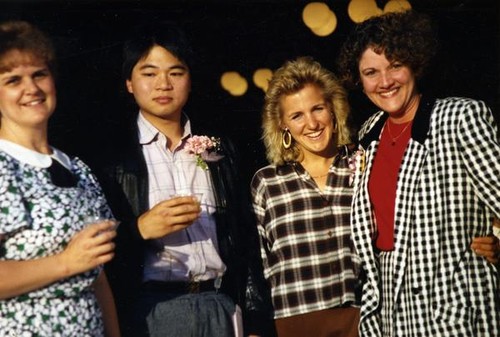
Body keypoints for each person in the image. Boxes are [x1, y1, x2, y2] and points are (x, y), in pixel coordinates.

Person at [95, 22, 271, 337]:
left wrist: (256, 321)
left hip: (219, 305)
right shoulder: (112, 161)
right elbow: (94, 256)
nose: (163, 84)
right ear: (129, 83)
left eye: (175, 72)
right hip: (150, 311)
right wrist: (139, 230)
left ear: (190, 79)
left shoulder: (220, 149)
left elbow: (245, 239)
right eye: (149, 74)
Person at [337, 10, 500, 336]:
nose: (385, 81)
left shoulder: (459, 117)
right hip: (390, 313)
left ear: (414, 63)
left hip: (455, 312)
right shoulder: (370, 132)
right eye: (371, 72)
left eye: (395, 65)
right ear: (359, 79)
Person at [0, 20, 120, 336]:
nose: (32, 89)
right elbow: (76, 261)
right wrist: (65, 262)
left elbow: (98, 276)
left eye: (39, 74)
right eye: (13, 80)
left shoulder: (78, 169)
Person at [250, 56, 362, 337]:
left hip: (360, 319)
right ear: (283, 125)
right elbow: (261, 263)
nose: (311, 123)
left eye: (318, 109)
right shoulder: (267, 181)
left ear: (333, 110)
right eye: (297, 115)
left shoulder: (363, 165)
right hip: (294, 323)